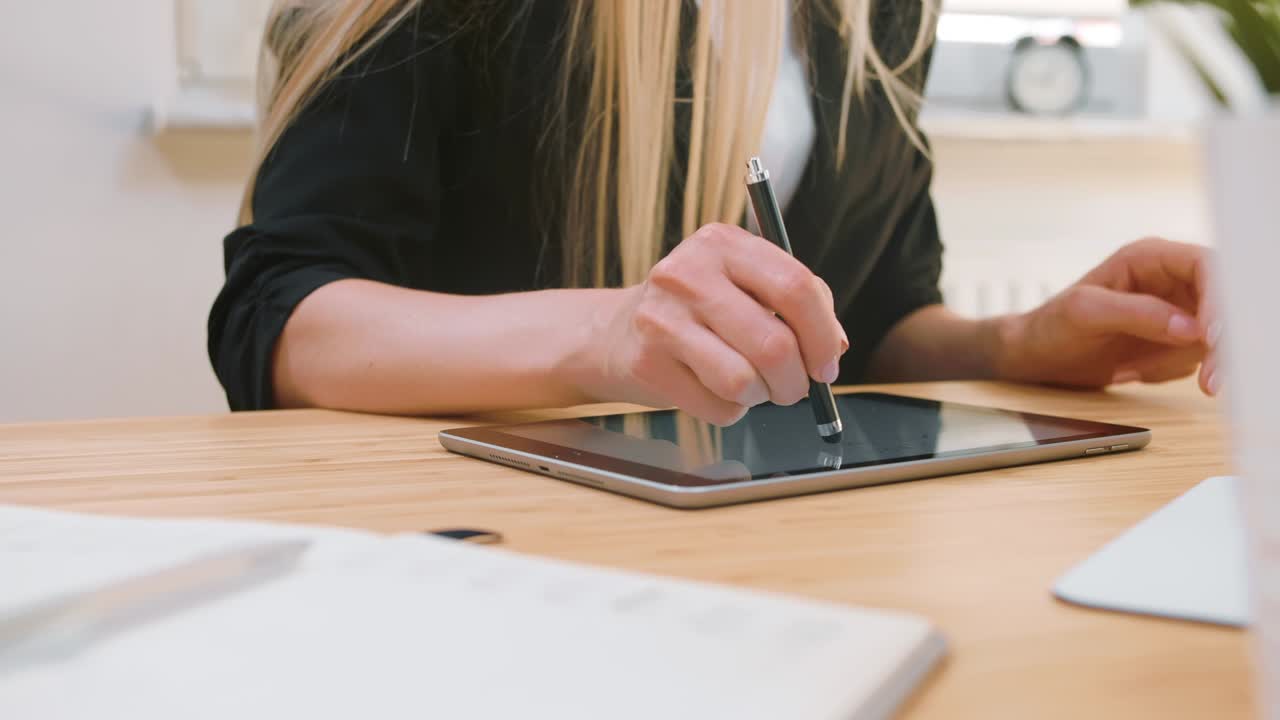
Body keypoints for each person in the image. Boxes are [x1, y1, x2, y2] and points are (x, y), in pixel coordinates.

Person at [209, 0, 1220, 425]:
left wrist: (1020, 342)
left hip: (748, 541)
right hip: (470, 541)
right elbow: (281, 322)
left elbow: (867, 328)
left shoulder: (883, 19)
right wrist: (604, 334)